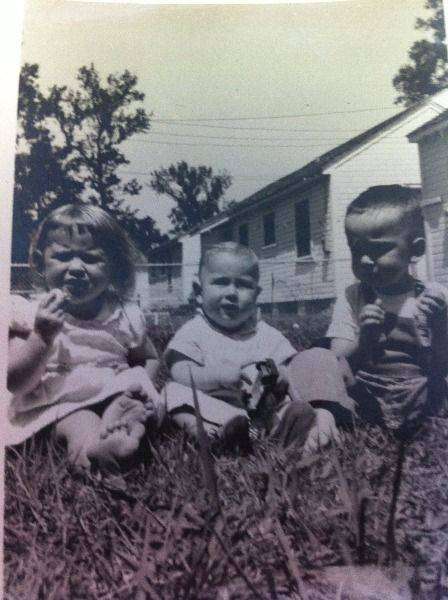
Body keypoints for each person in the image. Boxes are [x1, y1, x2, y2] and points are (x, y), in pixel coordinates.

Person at [7, 203, 164, 473]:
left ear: (113, 267)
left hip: (112, 393)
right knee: (80, 420)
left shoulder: (124, 316)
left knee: (132, 400)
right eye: (63, 256)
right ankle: (95, 452)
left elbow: (148, 358)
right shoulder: (30, 316)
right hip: (61, 403)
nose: (77, 267)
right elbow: (15, 382)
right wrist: (42, 337)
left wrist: (140, 386)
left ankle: (125, 427)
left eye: (90, 259)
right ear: (41, 262)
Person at [164, 241, 354, 452]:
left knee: (288, 404)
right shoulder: (194, 331)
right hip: (212, 408)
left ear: (256, 294)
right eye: (221, 282)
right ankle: (209, 434)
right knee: (173, 391)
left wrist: (279, 378)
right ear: (199, 291)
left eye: (243, 285)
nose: (232, 293)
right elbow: (180, 371)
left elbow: (291, 369)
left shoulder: (266, 335)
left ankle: (287, 428)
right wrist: (217, 377)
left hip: (262, 413)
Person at [327, 185, 448, 437]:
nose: (364, 260)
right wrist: (364, 339)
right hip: (367, 389)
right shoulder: (354, 296)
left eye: (377, 250)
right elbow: (337, 359)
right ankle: (326, 420)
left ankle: (423, 424)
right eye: (356, 250)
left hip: (420, 392)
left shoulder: (435, 298)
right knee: (316, 363)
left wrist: (440, 326)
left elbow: (440, 365)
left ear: (415, 250)